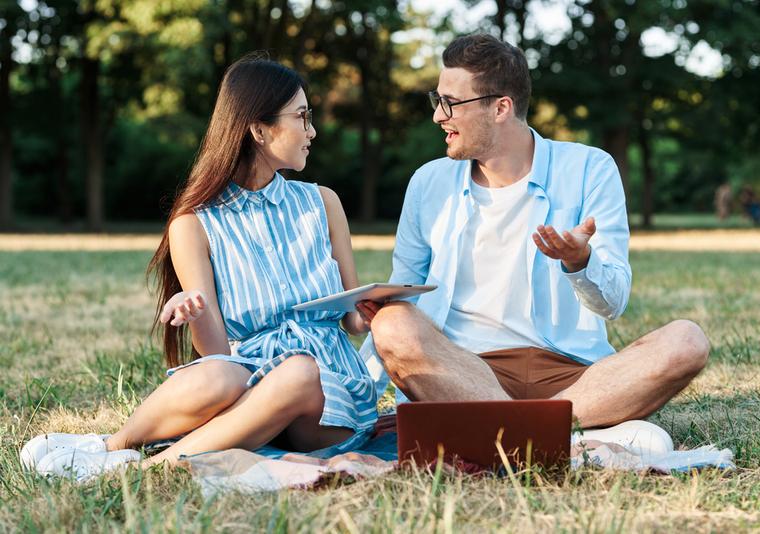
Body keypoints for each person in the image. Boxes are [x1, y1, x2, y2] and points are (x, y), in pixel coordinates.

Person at [21, 53, 377, 480]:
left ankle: (148, 468)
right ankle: (111, 447)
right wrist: (195, 311)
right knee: (216, 378)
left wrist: (377, 307)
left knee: (298, 371)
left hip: (328, 392)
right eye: (302, 116)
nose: (312, 130)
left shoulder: (323, 203)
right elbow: (217, 354)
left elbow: (355, 319)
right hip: (247, 380)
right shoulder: (193, 224)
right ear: (259, 130)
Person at [357, 34, 710, 431]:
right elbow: (402, 290)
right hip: (465, 372)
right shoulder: (428, 183)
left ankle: (512, 428)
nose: (439, 116)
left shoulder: (589, 168)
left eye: (450, 103)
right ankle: (548, 433)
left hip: (575, 378)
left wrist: (581, 263)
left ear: (501, 107)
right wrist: (371, 328)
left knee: (687, 340)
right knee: (393, 323)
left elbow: (613, 301)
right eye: (437, 100)